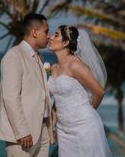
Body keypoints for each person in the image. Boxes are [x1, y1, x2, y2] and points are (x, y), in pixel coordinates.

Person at [0, 13, 54, 157]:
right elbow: (10, 98)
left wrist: (50, 128)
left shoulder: (39, 57)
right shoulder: (14, 56)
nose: (49, 36)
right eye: (46, 31)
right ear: (34, 32)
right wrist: (22, 131)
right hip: (24, 135)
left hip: (42, 129)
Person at [48, 25, 112, 157]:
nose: (50, 37)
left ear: (65, 42)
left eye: (56, 35)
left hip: (84, 127)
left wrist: (90, 108)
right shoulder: (53, 68)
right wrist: (52, 126)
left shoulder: (75, 65)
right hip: (63, 130)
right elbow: (56, 100)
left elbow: (99, 92)